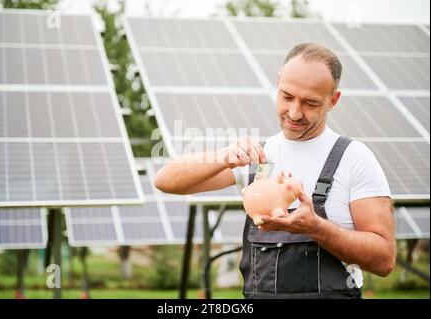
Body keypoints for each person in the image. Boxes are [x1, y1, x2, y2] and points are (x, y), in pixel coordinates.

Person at [153, 43, 396, 299]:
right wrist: (223, 157)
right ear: (278, 83)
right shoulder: (258, 157)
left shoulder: (354, 158)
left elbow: (383, 260)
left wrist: (316, 228)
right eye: (287, 96)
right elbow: (165, 181)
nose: (294, 112)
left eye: (310, 103)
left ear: (332, 100)